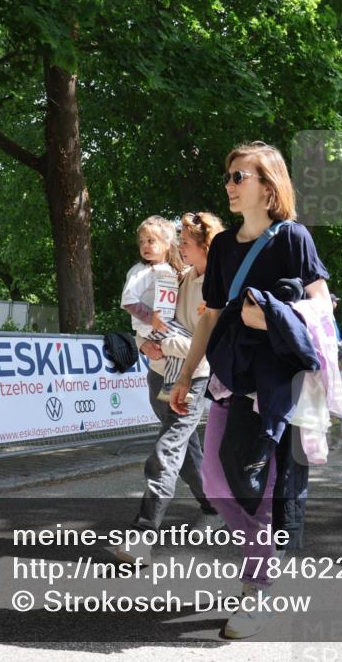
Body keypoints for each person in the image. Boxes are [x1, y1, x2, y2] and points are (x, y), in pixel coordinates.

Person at [170, 141, 331, 639]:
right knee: (219, 485)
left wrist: (275, 317)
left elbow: (322, 309)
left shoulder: (293, 239)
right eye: (229, 177)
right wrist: (184, 374)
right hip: (227, 377)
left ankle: (257, 586)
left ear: (269, 184)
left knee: (253, 485)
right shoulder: (221, 247)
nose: (230, 186)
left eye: (240, 177)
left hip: (274, 383)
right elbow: (211, 316)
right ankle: (262, 563)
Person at [115, 212, 225, 564]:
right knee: (187, 452)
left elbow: (204, 343)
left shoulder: (218, 287)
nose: (179, 247)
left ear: (204, 246)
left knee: (166, 452)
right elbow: (150, 319)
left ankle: (143, 536)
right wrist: (143, 342)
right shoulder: (177, 277)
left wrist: (164, 345)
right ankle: (214, 507)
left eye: (186, 243)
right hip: (158, 373)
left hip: (191, 377)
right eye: (179, 241)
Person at [120, 217, 190, 403]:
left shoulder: (171, 269)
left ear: (167, 243)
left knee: (177, 350)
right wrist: (151, 318)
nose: (145, 246)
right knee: (189, 342)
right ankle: (170, 387)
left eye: (151, 241)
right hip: (153, 327)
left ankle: (170, 386)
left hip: (165, 324)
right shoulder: (140, 270)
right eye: (142, 241)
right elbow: (127, 300)